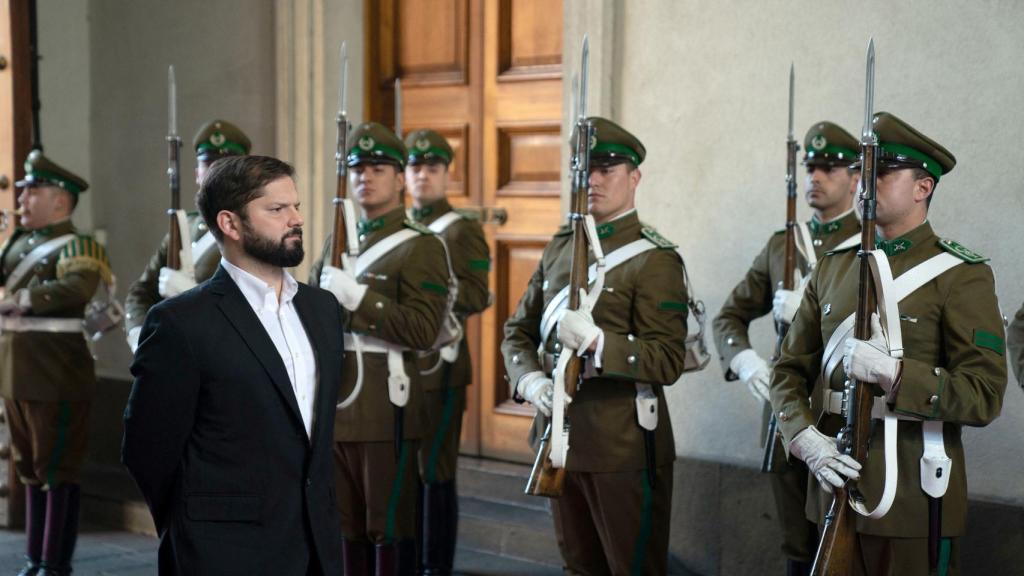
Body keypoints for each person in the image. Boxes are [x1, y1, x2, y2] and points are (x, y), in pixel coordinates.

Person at [770, 112, 1007, 575]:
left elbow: (984, 394)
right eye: (862, 171)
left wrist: (896, 376)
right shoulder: (833, 267)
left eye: (883, 172)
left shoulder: (961, 274)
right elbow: (788, 370)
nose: (864, 184)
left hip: (914, 502)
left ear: (923, 187)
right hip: (831, 488)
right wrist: (802, 437)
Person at [122, 155, 343, 575]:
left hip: (316, 542)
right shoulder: (181, 323)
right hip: (221, 550)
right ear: (231, 224)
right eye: (277, 209)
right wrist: (193, 524)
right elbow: (147, 446)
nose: (296, 219)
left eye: (295, 206)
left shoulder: (322, 309)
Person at [501, 117, 689, 574]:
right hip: (558, 439)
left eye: (607, 168)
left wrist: (600, 343)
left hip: (621, 445)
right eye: (585, 169)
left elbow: (667, 360)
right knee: (578, 565)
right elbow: (517, 330)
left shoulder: (654, 258)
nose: (594, 179)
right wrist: (529, 381)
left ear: (634, 177)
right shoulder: (562, 245)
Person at [712, 122, 860, 575]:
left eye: (829, 168)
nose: (815, 176)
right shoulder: (783, 246)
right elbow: (727, 318)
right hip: (788, 417)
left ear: (855, 178)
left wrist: (813, 310)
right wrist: (745, 360)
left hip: (844, 416)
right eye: (811, 167)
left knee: (843, 548)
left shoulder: (870, 245)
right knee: (797, 547)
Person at [312, 122, 451, 575]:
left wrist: (359, 299)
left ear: (398, 178)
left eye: (377, 168)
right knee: (345, 526)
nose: (364, 178)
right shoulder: (341, 241)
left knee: (388, 528)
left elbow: (425, 330)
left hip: (383, 406)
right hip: (335, 404)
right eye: (356, 169)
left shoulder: (421, 247)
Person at [0, 150, 111, 576]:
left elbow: (76, 289)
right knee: (28, 467)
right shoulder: (16, 243)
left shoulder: (79, 245)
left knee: (56, 468)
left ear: (60, 202)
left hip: (55, 374)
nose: (22, 201)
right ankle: (33, 557)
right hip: (16, 372)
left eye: (33, 194)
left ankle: (55, 562)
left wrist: (23, 299)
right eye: (24, 193)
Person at [405, 128, 491, 575]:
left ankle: (436, 566)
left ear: (446, 174)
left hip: (443, 368)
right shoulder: (399, 228)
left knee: (435, 469)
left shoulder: (461, 230)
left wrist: (424, 305)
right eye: (415, 167)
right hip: (401, 367)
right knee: (405, 469)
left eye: (432, 168)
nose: (422, 175)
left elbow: (478, 294)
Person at [123, 119, 251, 352]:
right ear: (197, 174)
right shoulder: (183, 228)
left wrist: (192, 296)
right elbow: (141, 291)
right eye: (208, 164)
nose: (215, 173)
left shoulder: (253, 231)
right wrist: (139, 333)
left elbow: (253, 305)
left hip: (219, 355)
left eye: (225, 166)